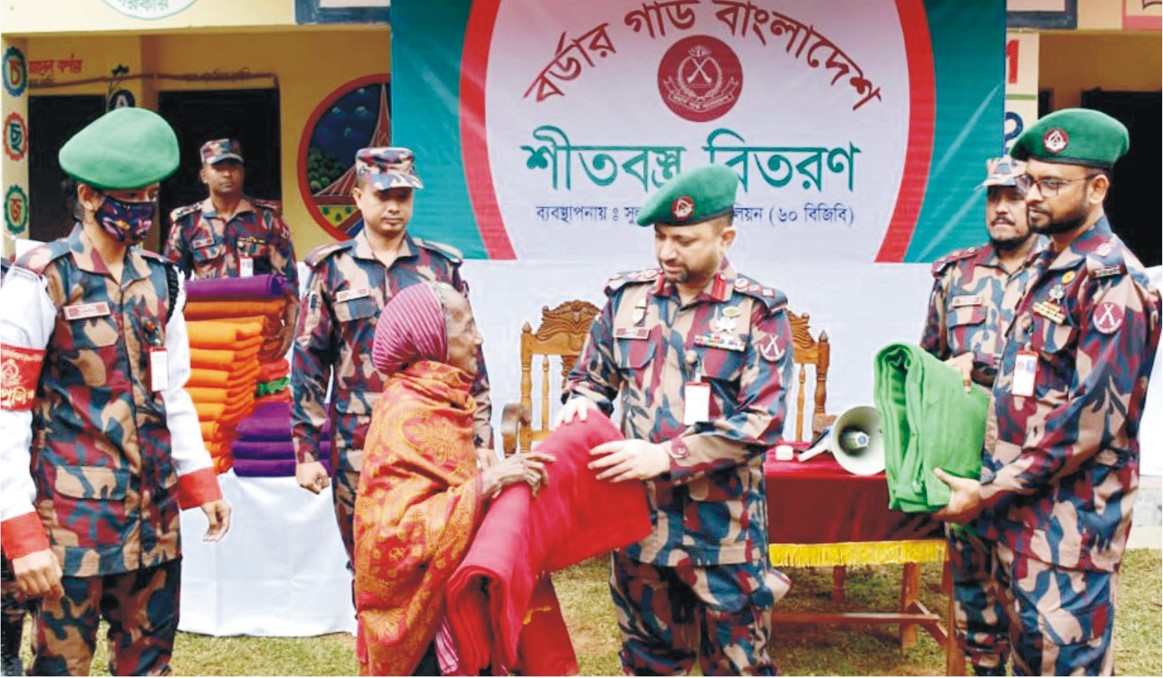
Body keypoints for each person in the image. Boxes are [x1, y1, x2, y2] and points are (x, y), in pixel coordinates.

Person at [0, 107, 231, 675]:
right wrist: (19, 529)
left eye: (151, 196)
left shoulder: (163, 279)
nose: (143, 210)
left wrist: (200, 479)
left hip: (153, 519)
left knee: (150, 665)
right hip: (70, 523)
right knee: (61, 667)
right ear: (88, 196)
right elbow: (8, 409)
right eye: (130, 197)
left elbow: (174, 391)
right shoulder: (41, 280)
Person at [936, 108, 1162, 676]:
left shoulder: (1113, 282)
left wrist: (989, 490)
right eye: (1030, 180)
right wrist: (978, 368)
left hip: (1068, 532)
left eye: (1051, 184)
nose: (1033, 195)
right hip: (1018, 520)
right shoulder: (1053, 269)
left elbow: (1092, 417)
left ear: (1097, 188)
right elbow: (1039, 374)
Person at [558, 164, 795, 675]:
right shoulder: (626, 300)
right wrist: (582, 402)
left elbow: (763, 420)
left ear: (725, 238)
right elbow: (590, 379)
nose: (667, 251)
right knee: (648, 663)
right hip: (639, 527)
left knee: (739, 666)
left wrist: (667, 456)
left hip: (723, 536)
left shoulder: (757, 311)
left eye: (684, 240)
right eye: (661, 237)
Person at [291, 146, 496, 576]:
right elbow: (310, 364)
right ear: (358, 197)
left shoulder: (439, 268)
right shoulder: (333, 270)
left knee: (436, 552)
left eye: (402, 196)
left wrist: (482, 441)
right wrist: (306, 451)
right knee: (367, 558)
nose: (393, 206)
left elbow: (470, 360)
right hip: (360, 441)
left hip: (435, 438)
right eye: (382, 195)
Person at [354, 281, 552, 676]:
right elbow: (391, 534)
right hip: (419, 617)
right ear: (434, 340)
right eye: (466, 327)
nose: (478, 338)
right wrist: (486, 484)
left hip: (453, 592)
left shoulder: (443, 398)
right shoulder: (408, 411)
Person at [920, 156, 1041, 675]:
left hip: (1032, 459)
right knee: (975, 597)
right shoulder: (957, 274)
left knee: (1034, 604)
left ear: (1037, 202)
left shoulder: (1060, 274)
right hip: (967, 456)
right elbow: (928, 361)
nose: (1002, 208)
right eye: (994, 198)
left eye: (1014, 197)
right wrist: (948, 370)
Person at [163, 138, 300, 357]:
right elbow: (171, 283)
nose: (227, 174)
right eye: (218, 168)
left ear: (242, 172)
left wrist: (291, 325)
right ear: (204, 175)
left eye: (233, 166)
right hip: (208, 332)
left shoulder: (267, 219)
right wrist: (170, 331)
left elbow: (288, 281)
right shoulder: (188, 222)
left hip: (259, 330)